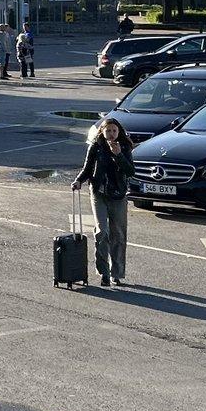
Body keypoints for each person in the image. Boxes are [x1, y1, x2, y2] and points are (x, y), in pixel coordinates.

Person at [72, 116, 134, 287]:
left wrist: (119, 155)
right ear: (102, 132)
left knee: (118, 234)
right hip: (98, 193)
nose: (112, 134)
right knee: (102, 231)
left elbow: (130, 171)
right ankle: (104, 273)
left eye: (114, 131)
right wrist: (78, 181)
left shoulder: (125, 147)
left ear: (119, 132)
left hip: (118, 196)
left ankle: (117, 274)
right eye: (108, 130)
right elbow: (87, 168)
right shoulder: (96, 147)